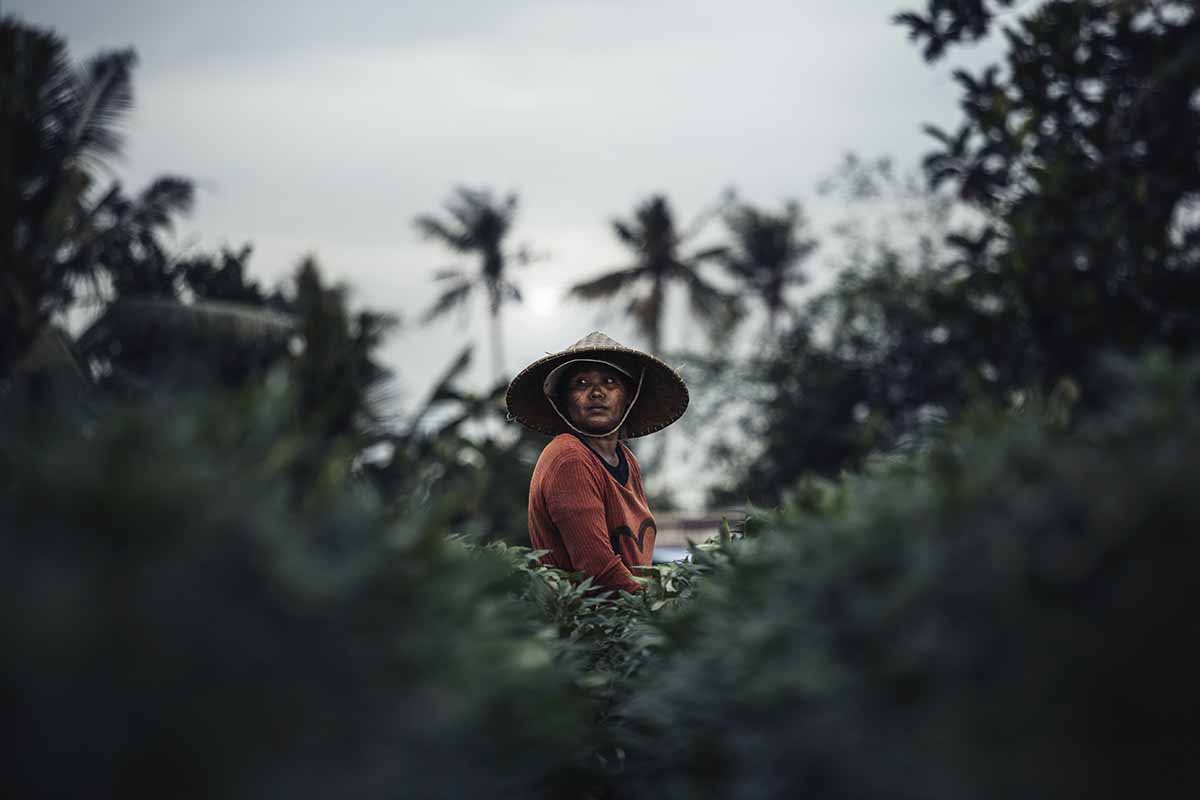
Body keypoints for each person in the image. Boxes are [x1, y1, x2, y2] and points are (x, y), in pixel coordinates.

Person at [505, 331, 689, 594]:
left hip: (625, 617)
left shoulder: (627, 460)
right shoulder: (569, 459)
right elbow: (598, 570)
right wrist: (659, 609)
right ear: (563, 401)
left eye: (610, 382)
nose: (597, 392)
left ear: (628, 396)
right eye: (581, 383)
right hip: (588, 624)